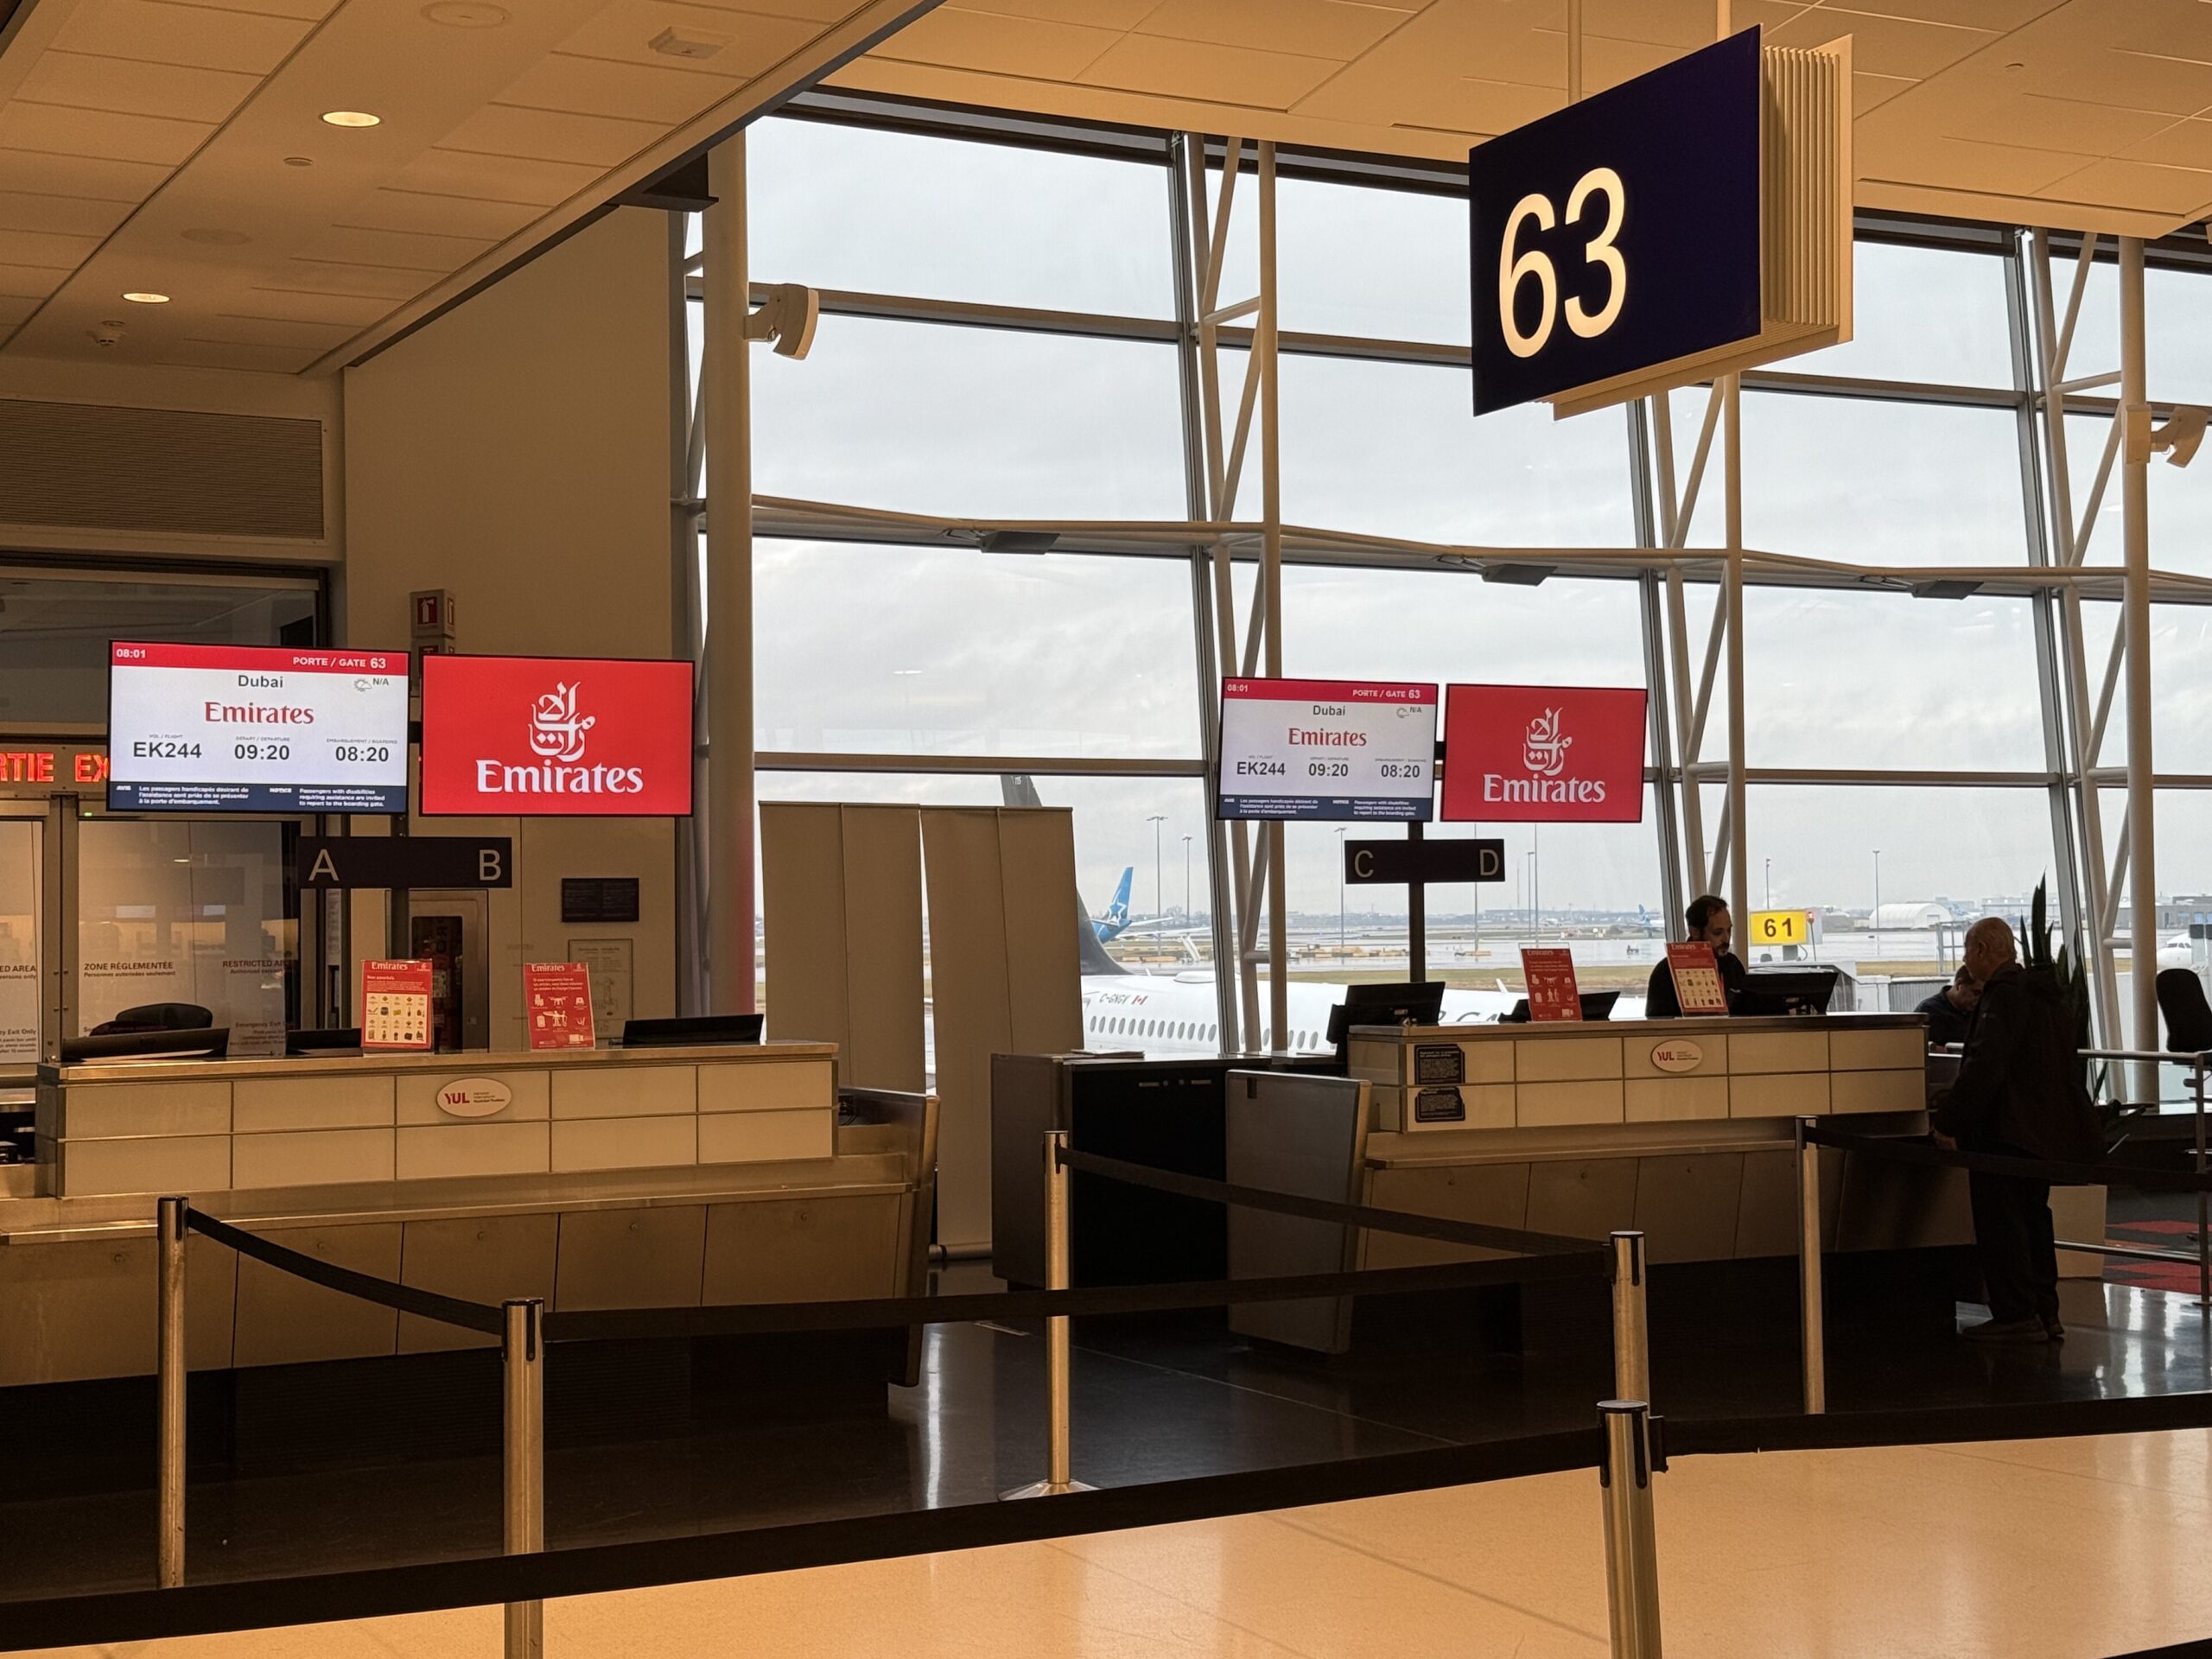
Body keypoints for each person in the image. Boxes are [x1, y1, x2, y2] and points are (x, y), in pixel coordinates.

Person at [1932, 917, 2102, 1344]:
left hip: (2004, 1132)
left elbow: (1985, 1066)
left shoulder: (2002, 996)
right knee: (2034, 1219)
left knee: (2001, 1221)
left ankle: (2015, 1313)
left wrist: (1950, 1121)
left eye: (1969, 952)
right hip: (2040, 1132)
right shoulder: (2045, 995)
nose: (1966, 961)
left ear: (1985, 951)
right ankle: (2047, 1310)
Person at [1645, 894, 1754, 1018]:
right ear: (1695, 932)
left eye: (1728, 931)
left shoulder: (1732, 964)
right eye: (1718, 933)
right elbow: (1657, 1023)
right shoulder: (1666, 971)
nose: (1726, 939)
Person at [1915, 966, 1980, 1047]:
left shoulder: (1978, 1012)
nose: (1980, 999)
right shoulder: (1929, 1011)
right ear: (1959, 985)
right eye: (1976, 993)